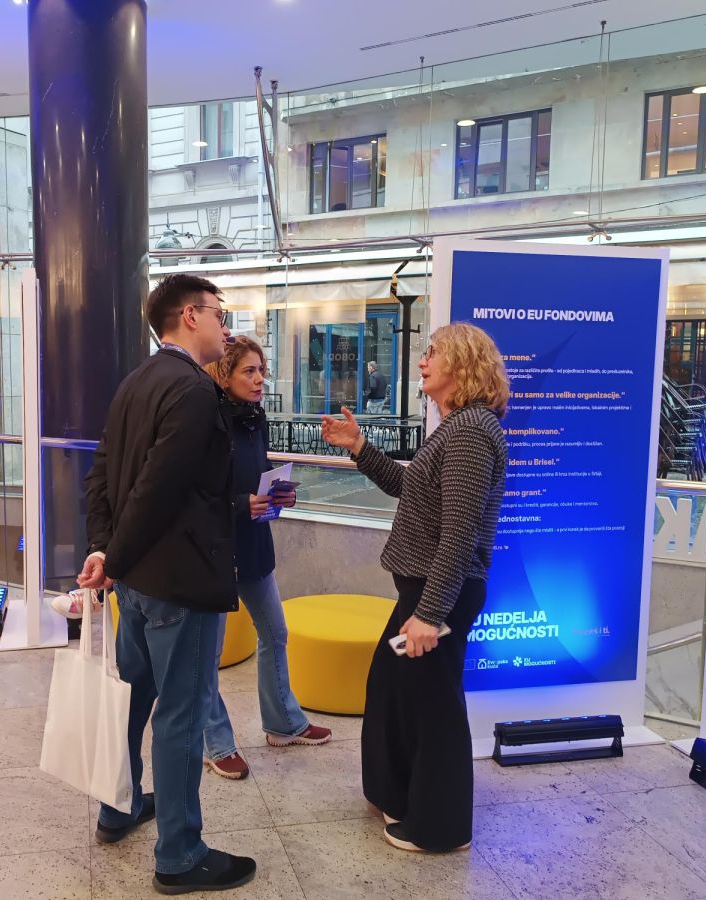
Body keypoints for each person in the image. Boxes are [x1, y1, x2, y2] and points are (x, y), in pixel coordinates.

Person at [79, 273, 256, 894]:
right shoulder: (193, 390)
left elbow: (100, 476)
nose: (225, 326)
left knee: (133, 701)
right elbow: (159, 490)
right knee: (181, 716)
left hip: (137, 585)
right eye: (219, 313)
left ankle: (119, 808)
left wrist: (106, 550)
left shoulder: (136, 382)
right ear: (189, 316)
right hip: (178, 583)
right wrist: (114, 557)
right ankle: (179, 856)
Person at [321, 323, 509, 854]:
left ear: (463, 364)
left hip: (438, 593)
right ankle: (400, 795)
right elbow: (412, 488)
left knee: (434, 708)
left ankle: (440, 828)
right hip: (424, 591)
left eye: (433, 352)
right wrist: (360, 447)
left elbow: (459, 534)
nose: (422, 361)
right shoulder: (457, 426)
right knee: (393, 690)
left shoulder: (470, 432)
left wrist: (429, 615)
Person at [200, 336, 332, 781]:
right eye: (249, 371)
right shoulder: (206, 420)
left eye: (262, 370)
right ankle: (216, 743)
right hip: (216, 550)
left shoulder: (256, 419)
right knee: (208, 654)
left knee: (275, 632)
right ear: (225, 375)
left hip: (254, 545)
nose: (260, 380)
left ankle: (283, 723)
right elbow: (195, 493)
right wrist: (241, 504)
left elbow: (255, 477)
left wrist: (279, 495)